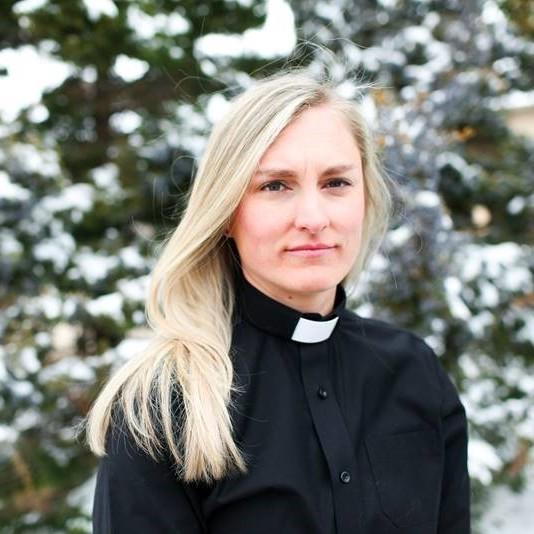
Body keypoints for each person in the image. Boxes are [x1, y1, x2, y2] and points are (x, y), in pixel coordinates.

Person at [84, 67, 471, 533]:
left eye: (336, 183)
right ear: (227, 211)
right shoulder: (164, 405)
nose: (313, 217)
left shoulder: (416, 373)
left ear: (365, 198)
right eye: (275, 186)